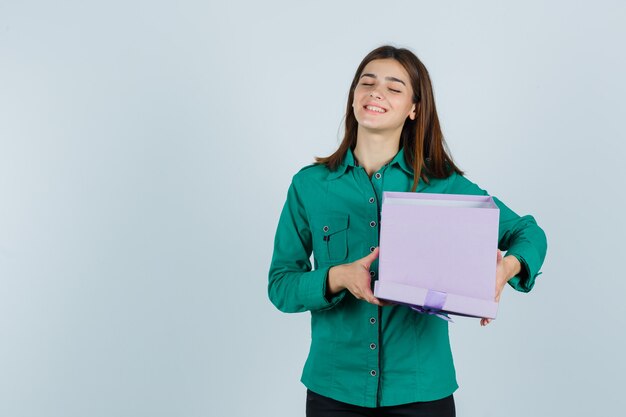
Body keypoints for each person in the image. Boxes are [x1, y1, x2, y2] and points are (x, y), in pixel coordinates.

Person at [268, 45, 547, 417]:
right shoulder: (309, 185)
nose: (376, 92)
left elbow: (528, 232)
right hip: (333, 391)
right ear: (353, 98)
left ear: (414, 108)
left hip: (421, 392)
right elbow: (281, 285)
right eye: (366, 83)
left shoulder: (443, 184)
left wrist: (504, 271)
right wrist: (337, 277)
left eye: (394, 87)